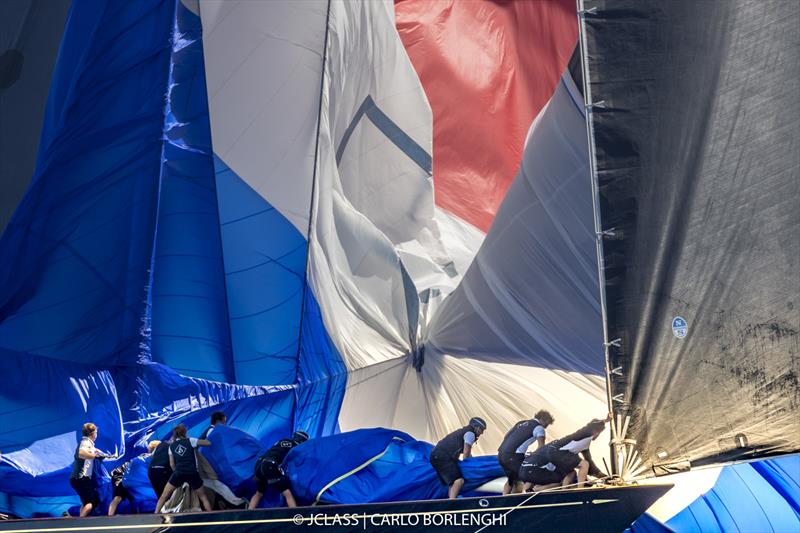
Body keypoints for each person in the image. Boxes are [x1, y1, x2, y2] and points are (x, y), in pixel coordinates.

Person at [519, 418, 608, 492]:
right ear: (596, 431)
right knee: (584, 464)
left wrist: (605, 477)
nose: (598, 435)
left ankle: (564, 491)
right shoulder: (585, 434)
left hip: (555, 453)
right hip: (556, 452)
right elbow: (590, 426)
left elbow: (591, 467)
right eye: (599, 433)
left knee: (572, 471)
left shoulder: (585, 445)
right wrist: (606, 420)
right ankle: (581, 490)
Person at [154, 424, 212, 513]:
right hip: (192, 472)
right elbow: (208, 443)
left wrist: (178, 475)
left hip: (179, 473)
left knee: (164, 496)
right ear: (185, 432)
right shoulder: (191, 441)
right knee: (203, 497)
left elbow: (172, 464)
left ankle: (155, 515)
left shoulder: (171, 446)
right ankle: (210, 515)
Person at [497, 410, 554, 495]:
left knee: (511, 479)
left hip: (501, 454)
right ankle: (526, 496)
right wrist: (534, 455)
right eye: (547, 424)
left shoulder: (520, 423)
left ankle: (504, 498)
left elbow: (506, 436)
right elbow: (541, 448)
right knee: (532, 475)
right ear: (543, 419)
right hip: (513, 456)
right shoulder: (539, 428)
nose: (546, 427)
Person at [249, 430, 309, 509]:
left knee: (259, 493)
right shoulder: (296, 446)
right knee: (287, 493)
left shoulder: (283, 440)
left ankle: (246, 515)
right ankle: (296, 516)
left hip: (258, 464)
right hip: (269, 465)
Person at [429, 417, 487, 499]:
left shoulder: (464, 432)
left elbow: (466, 453)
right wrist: (471, 466)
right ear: (477, 427)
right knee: (459, 481)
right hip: (442, 456)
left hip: (437, 455)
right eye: (482, 430)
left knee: (453, 482)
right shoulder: (470, 434)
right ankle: (453, 503)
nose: (482, 433)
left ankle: (451, 499)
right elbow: (466, 454)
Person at [108, 440, 160, 516]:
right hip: (120, 475)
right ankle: (110, 517)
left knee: (133, 497)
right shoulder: (144, 457)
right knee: (118, 497)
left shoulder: (149, 459)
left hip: (129, 478)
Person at [69, 423, 108, 517]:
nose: (97, 435)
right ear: (93, 433)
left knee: (87, 501)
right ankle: (79, 524)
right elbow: (81, 453)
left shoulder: (89, 444)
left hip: (78, 479)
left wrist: (106, 455)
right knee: (91, 502)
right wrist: (95, 456)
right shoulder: (85, 442)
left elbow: (95, 451)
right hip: (81, 478)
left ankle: (79, 520)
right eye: (96, 432)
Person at [148, 437, 173, 502]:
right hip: (163, 470)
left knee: (160, 495)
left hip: (152, 471)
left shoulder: (160, 445)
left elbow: (151, 455)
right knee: (167, 494)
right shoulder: (173, 445)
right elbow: (172, 463)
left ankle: (160, 510)